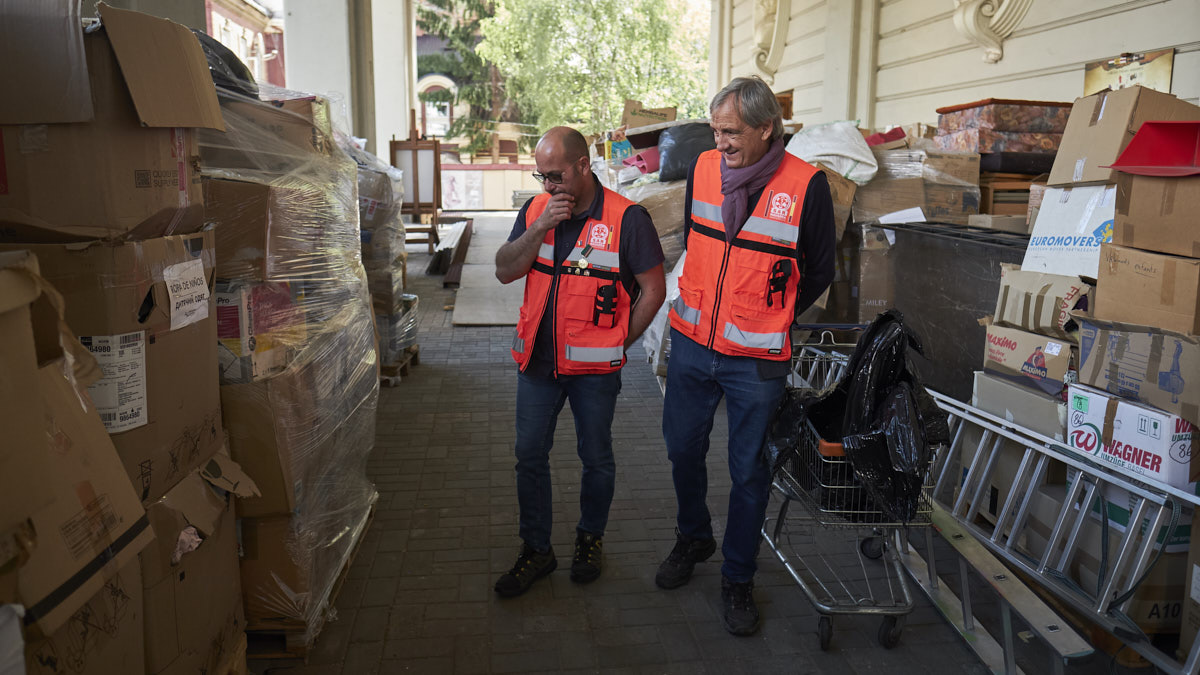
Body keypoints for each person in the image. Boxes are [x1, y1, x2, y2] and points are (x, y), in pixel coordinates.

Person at [656, 77, 835, 635]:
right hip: (691, 343)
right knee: (681, 449)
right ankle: (694, 537)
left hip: (754, 360)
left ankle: (738, 577)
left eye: (731, 132)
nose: (721, 142)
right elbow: (696, 241)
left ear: (765, 129)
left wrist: (772, 315)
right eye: (715, 130)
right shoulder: (704, 169)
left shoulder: (807, 185)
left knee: (749, 473)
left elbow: (821, 269)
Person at [493, 126, 667, 597]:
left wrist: (619, 343)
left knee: (596, 457)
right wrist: (540, 226)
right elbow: (505, 269)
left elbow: (654, 290)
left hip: (594, 370)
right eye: (540, 176)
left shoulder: (627, 219)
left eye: (554, 176)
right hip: (538, 364)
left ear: (582, 166)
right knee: (528, 455)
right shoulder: (535, 211)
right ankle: (536, 549)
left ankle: (590, 540)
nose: (546, 186)